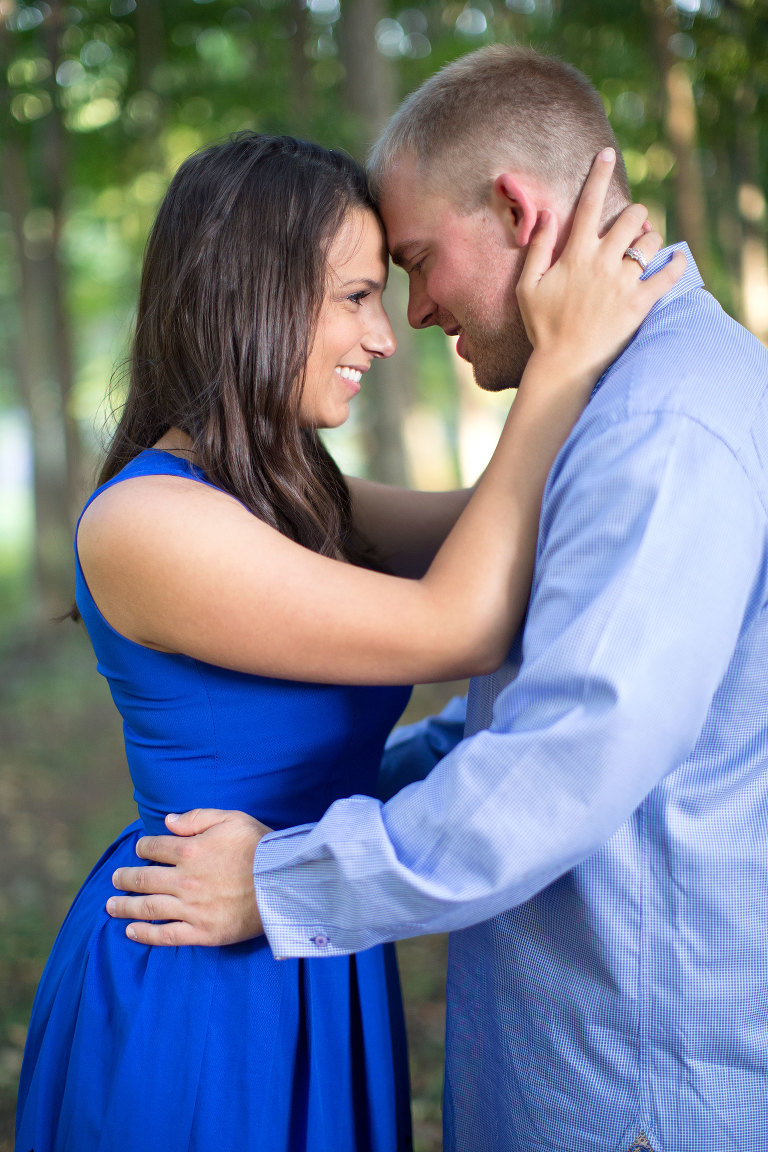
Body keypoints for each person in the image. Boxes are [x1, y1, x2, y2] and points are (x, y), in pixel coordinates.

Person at [108, 46, 768, 1152]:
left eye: (407, 268)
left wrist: (287, 876)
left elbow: (565, 744)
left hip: (623, 1069)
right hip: (229, 979)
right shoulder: (627, 408)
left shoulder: (659, 423)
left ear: (515, 208)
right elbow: (507, 681)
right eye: (364, 291)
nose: (404, 319)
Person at [15, 129, 668, 1152]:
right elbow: (460, 621)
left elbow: (501, 525)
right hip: (199, 974)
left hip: (308, 925)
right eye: (357, 295)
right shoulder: (145, 523)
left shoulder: (296, 493)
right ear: (251, 294)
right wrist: (563, 369)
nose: (385, 333)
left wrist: (597, 347)